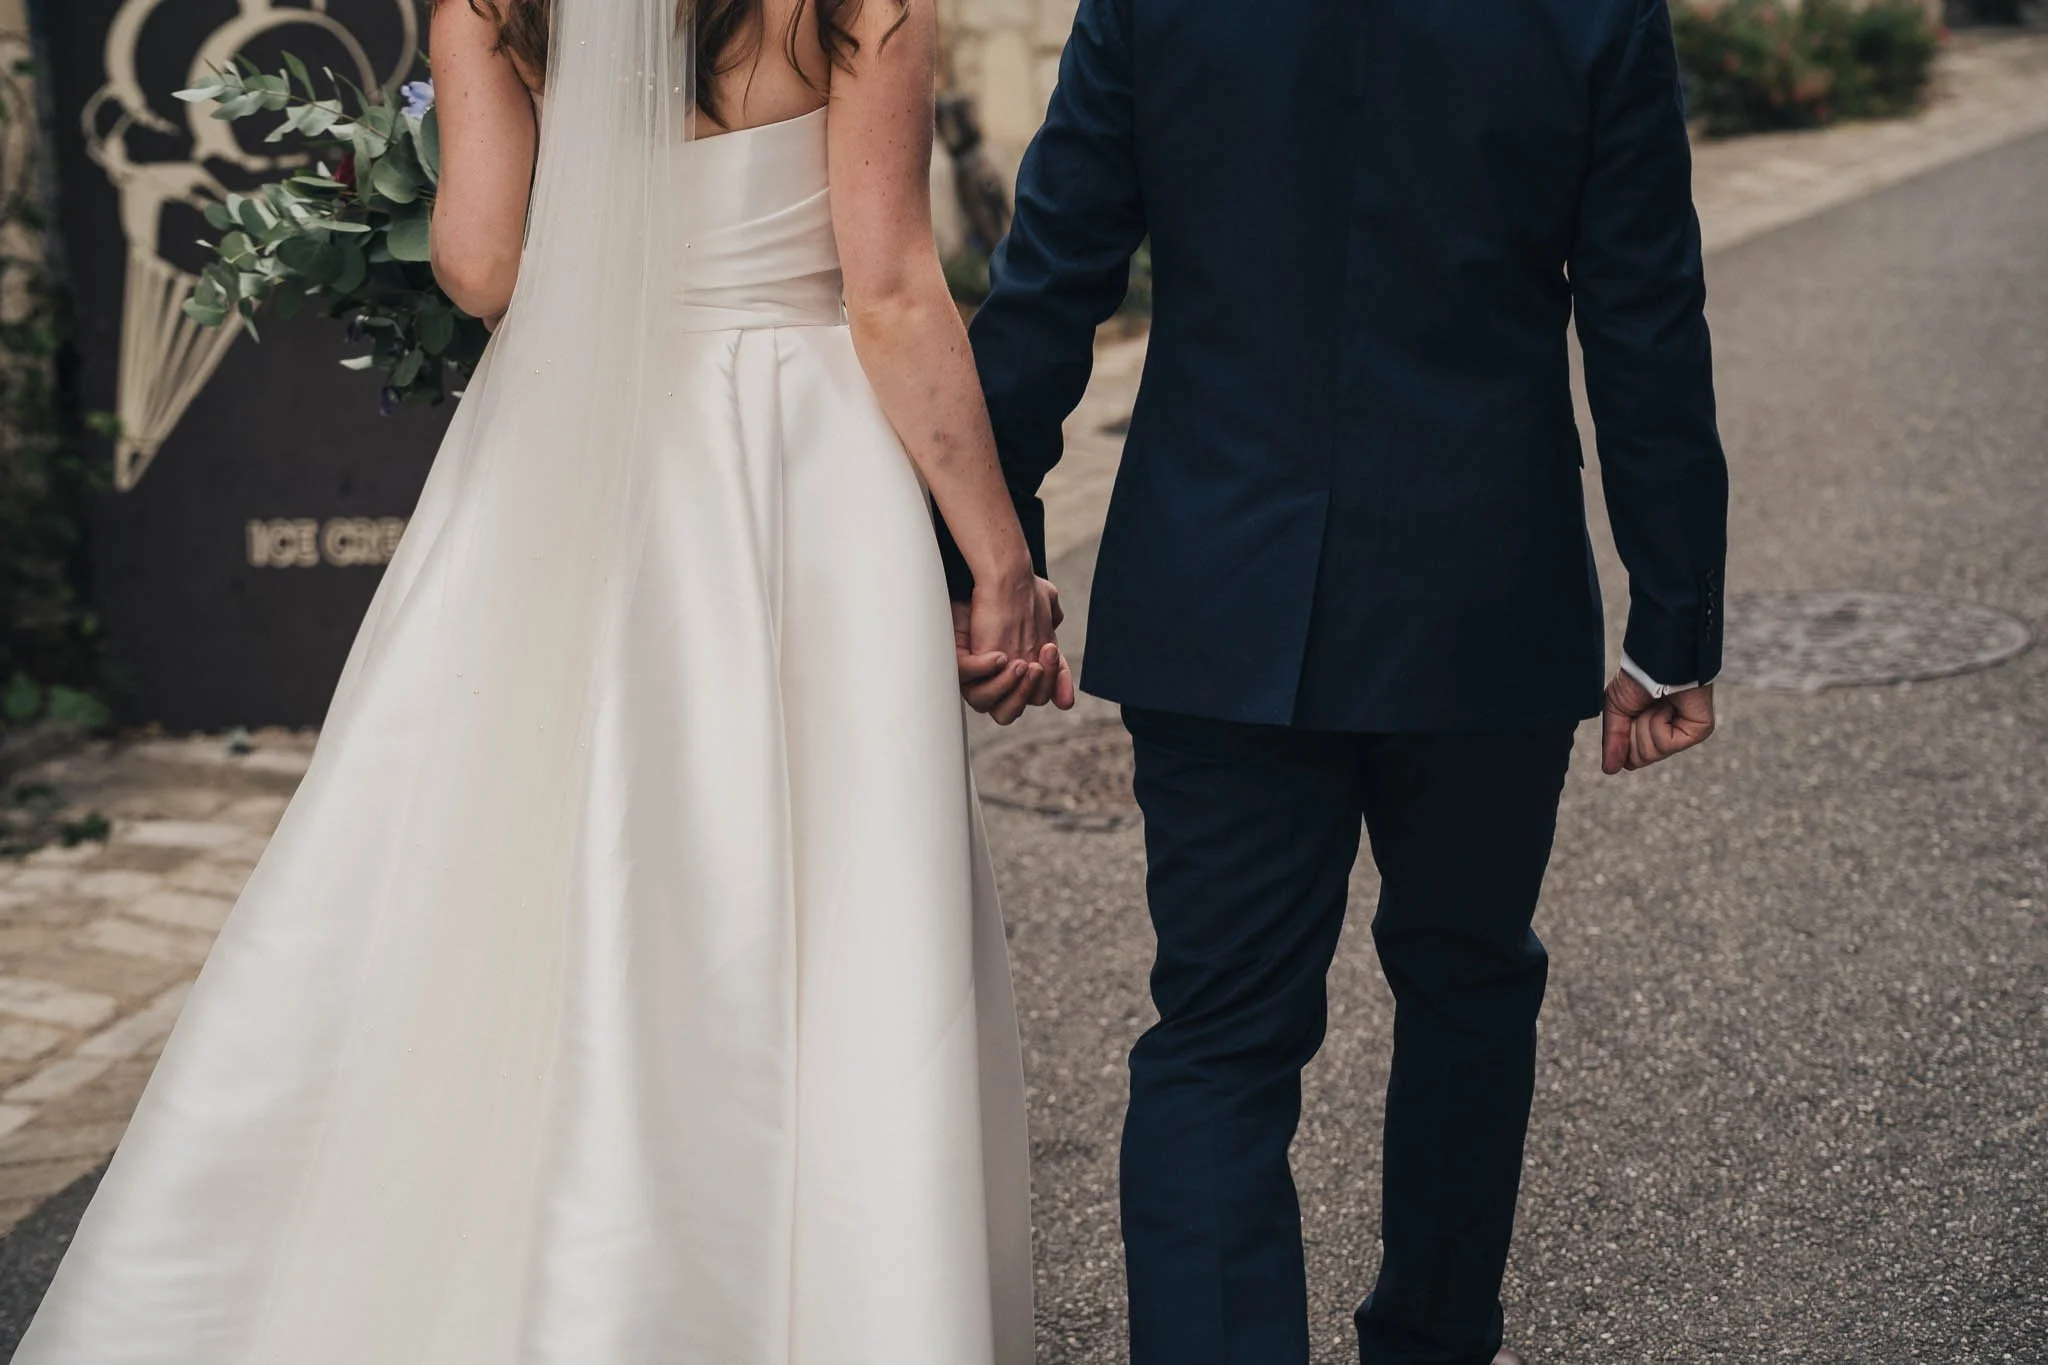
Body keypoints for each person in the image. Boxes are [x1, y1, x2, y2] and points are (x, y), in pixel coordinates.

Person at [15, 0, 1068, 1358]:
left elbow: (483, 264)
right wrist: (997, 558)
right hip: (804, 467)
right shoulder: (857, 6)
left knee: (518, 848)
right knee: (822, 865)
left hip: (581, 454)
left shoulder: (488, 5)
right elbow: (891, 289)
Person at [946, 0, 1730, 1361]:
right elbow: (1644, 305)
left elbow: (1054, 269)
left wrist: (984, 555)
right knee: (1470, 985)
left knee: (1219, 1036)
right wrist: (1672, 623)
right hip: (1482, 588)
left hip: (1218, 586)